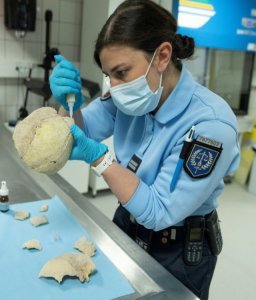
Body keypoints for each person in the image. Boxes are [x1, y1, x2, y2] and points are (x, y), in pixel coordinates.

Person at [49, 0, 240, 299]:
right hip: (126, 224)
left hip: (178, 248)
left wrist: (100, 158)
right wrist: (65, 102)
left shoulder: (210, 125)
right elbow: (76, 134)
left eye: (121, 72)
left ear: (163, 56)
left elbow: (159, 210)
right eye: (109, 74)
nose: (113, 85)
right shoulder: (130, 95)